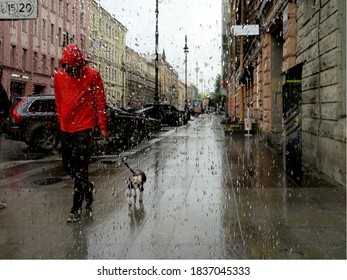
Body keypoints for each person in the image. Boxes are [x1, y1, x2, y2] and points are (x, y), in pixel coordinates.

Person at [54, 44, 108, 223]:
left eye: (73, 68)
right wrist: (61, 122)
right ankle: (88, 188)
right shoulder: (59, 76)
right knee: (68, 165)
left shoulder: (92, 75)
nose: (70, 71)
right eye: (67, 68)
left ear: (80, 65)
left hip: (85, 126)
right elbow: (59, 101)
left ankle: (75, 208)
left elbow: (100, 102)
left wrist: (102, 126)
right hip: (66, 128)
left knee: (80, 166)